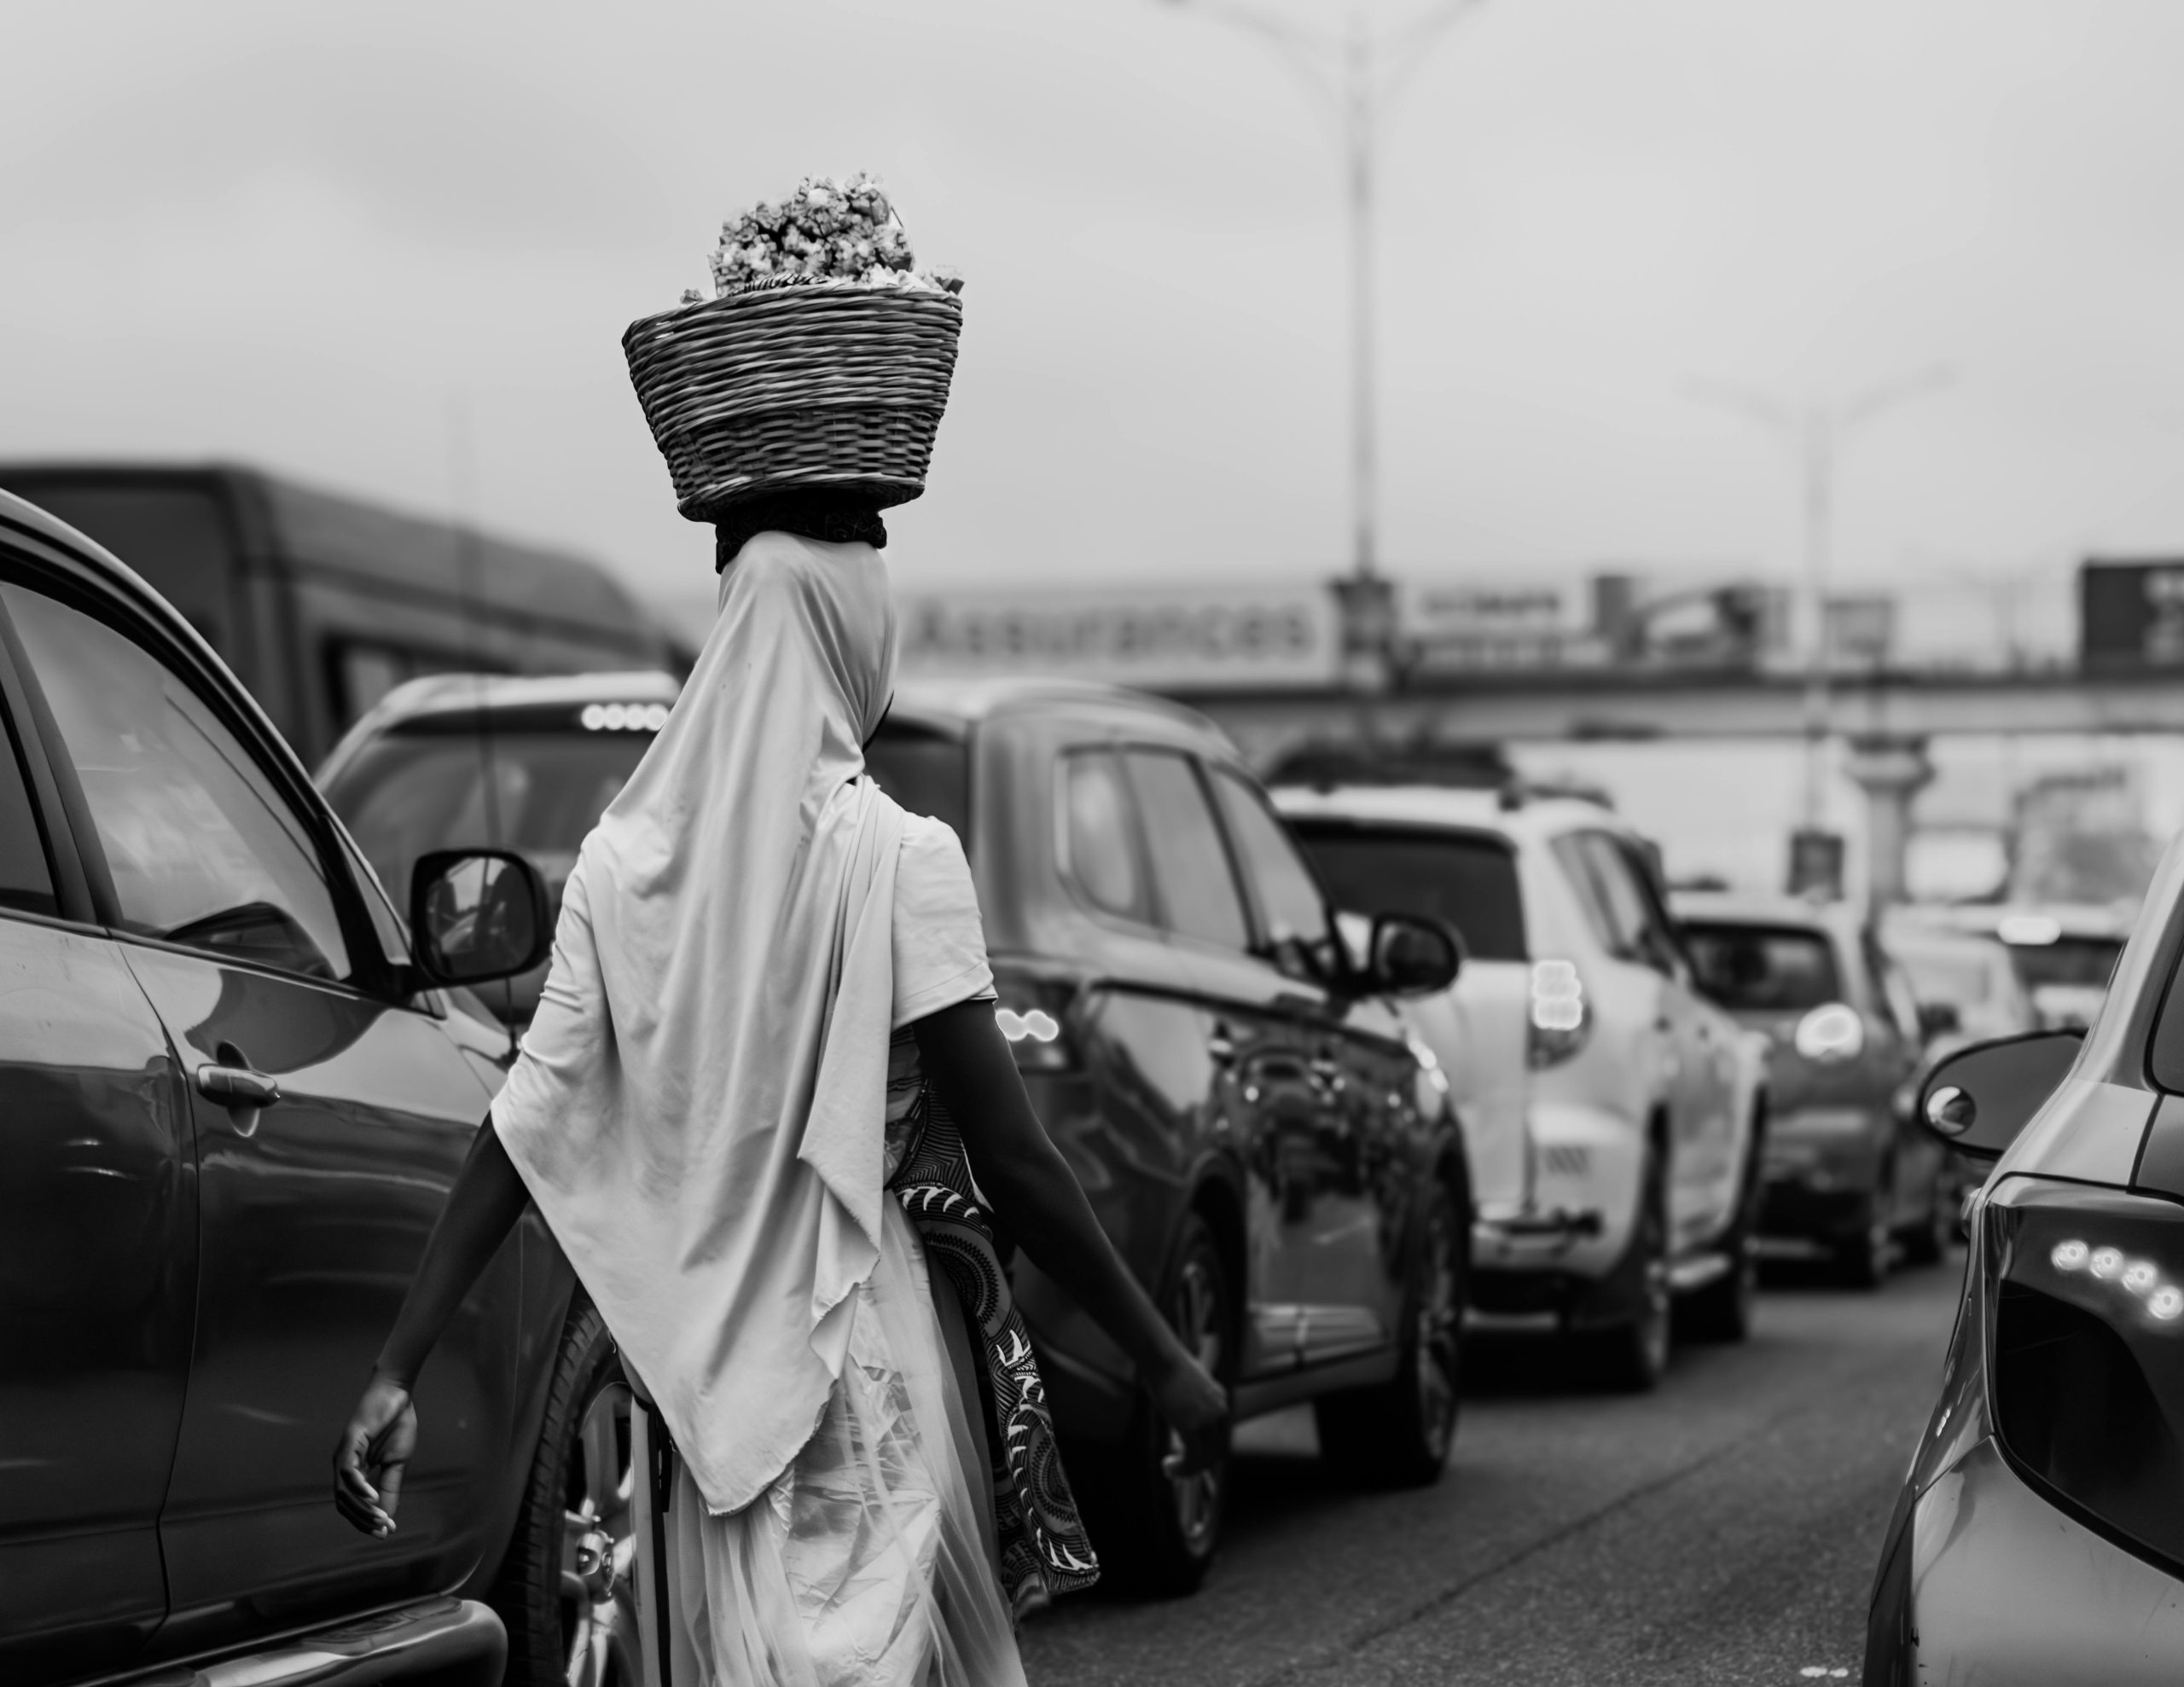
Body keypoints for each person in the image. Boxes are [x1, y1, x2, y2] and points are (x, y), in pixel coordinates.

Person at [331, 499, 1228, 1686]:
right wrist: (1163, 1355)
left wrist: (396, 1365)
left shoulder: (616, 864)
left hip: (713, 1396)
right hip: (865, 1359)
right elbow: (1016, 1158)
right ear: (858, 643)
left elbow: (522, 1128)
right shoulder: (900, 859)